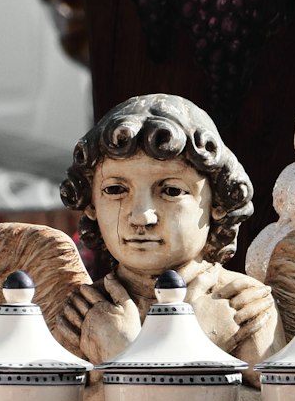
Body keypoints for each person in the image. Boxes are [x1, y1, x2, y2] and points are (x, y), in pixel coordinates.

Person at [56, 93, 278, 366]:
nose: (141, 217)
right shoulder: (85, 313)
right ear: (91, 204)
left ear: (218, 203)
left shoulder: (241, 306)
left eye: (171, 191)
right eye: (115, 190)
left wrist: (120, 360)